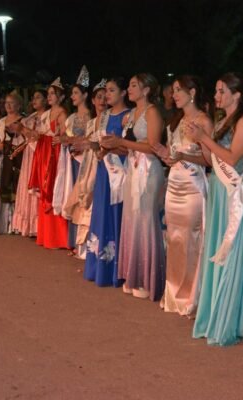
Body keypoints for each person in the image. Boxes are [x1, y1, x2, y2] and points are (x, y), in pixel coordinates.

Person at [188, 72, 243, 346]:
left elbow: (233, 158)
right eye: (216, 90)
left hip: (233, 194)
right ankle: (215, 311)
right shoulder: (223, 121)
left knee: (231, 249)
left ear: (237, 95)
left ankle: (234, 317)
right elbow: (212, 159)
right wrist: (200, 140)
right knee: (217, 246)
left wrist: (205, 137)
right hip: (218, 190)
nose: (216, 95)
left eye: (221, 91)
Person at [152, 75, 213, 316]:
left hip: (193, 188)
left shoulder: (203, 121)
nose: (173, 94)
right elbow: (173, 155)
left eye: (178, 90)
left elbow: (209, 160)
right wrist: (166, 155)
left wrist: (183, 157)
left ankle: (191, 296)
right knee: (175, 241)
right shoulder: (176, 120)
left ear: (192, 92)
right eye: (173, 90)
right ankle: (173, 293)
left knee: (192, 242)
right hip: (174, 187)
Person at [102, 73, 166, 301]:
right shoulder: (130, 115)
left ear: (146, 90)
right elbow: (128, 146)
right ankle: (133, 275)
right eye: (129, 85)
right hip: (132, 167)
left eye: (133, 85)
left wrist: (121, 142)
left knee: (146, 219)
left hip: (148, 170)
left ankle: (149, 279)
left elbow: (153, 146)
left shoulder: (152, 112)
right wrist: (111, 145)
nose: (129, 89)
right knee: (131, 218)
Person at [85, 77, 130, 286]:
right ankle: (99, 266)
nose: (107, 95)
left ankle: (117, 268)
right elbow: (98, 144)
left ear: (123, 93)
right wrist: (95, 147)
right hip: (104, 170)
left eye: (112, 90)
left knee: (116, 214)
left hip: (120, 171)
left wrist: (111, 147)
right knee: (101, 213)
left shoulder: (127, 116)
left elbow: (129, 148)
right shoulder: (103, 117)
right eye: (106, 91)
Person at [53, 66, 91, 256]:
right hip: (71, 160)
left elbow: (89, 139)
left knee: (82, 198)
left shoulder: (89, 116)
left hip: (83, 161)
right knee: (72, 197)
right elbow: (63, 135)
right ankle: (75, 242)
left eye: (76, 93)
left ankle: (83, 244)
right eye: (72, 93)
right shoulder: (72, 117)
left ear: (85, 95)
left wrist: (69, 140)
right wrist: (61, 139)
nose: (72, 96)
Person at [28, 78, 69, 249]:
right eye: (49, 93)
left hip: (54, 153)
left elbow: (64, 135)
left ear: (61, 97)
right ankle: (46, 235)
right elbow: (40, 132)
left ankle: (58, 237)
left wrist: (58, 136)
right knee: (44, 189)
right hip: (43, 152)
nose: (49, 96)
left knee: (53, 188)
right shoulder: (47, 113)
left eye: (53, 94)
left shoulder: (62, 113)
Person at [11, 90, 47, 237]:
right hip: (29, 156)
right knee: (27, 183)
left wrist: (23, 130)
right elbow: (24, 139)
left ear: (46, 100)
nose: (34, 100)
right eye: (33, 97)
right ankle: (28, 223)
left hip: (41, 155)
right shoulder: (30, 118)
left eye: (38, 97)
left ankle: (40, 225)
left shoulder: (48, 117)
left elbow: (41, 137)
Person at [0, 91, 24, 235]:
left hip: (18, 160)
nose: (8, 105)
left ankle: (16, 224)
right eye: (6, 103)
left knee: (17, 188)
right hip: (4, 159)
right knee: (4, 188)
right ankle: (4, 223)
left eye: (12, 103)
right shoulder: (2, 121)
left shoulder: (24, 120)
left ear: (19, 105)